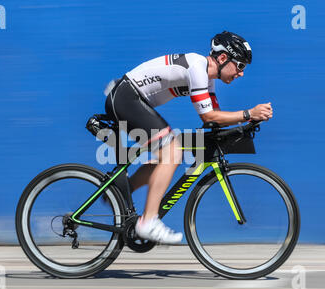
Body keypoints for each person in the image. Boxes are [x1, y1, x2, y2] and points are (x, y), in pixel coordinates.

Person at [104, 31, 273, 244]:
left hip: (132, 99)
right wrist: (249, 113)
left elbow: (215, 121)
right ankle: (148, 222)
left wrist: (247, 123)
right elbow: (209, 115)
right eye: (240, 66)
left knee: (169, 155)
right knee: (173, 151)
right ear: (222, 59)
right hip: (126, 98)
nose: (241, 73)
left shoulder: (207, 79)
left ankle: (121, 190)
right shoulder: (197, 67)